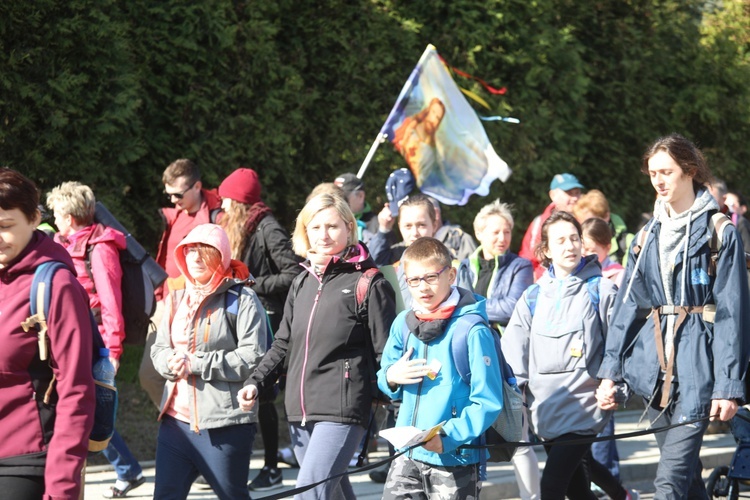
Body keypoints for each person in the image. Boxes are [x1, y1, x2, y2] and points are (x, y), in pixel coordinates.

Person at [597, 133, 750, 499]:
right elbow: (628, 307)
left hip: (700, 368)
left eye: (667, 172)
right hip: (655, 374)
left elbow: (732, 314)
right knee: (688, 480)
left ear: (690, 171)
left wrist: (729, 386)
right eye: (652, 173)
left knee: (668, 483)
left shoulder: (720, 233)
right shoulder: (645, 236)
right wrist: (610, 372)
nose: (659, 181)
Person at [237, 193, 397, 500]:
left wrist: (396, 397)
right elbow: (283, 343)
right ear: (304, 232)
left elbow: (386, 352)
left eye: (332, 226)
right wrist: (256, 382)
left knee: (308, 494)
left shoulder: (369, 282)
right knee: (332, 493)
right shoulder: (301, 281)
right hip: (299, 411)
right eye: (315, 227)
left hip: (343, 408)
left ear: (349, 229)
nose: (323, 234)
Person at [502, 211, 622, 500]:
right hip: (543, 410)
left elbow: (622, 344)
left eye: (574, 239)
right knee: (577, 490)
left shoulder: (602, 289)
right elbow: (513, 353)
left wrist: (613, 382)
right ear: (546, 250)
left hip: (584, 407)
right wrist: (510, 398)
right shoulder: (532, 296)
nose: (569, 246)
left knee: (551, 487)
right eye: (561, 241)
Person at [376, 237, 504, 499]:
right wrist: (390, 377)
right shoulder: (403, 323)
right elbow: (384, 374)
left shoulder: (472, 329)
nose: (423, 287)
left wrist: (448, 436)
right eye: (414, 280)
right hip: (407, 455)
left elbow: (488, 401)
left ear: (451, 275)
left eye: (431, 277)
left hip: (455, 456)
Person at [150, 223, 267, 500]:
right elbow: (159, 349)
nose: (196, 258)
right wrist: (169, 362)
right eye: (190, 251)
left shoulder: (243, 299)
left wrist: (197, 363)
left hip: (225, 425)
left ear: (223, 257)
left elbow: (254, 357)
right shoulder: (176, 298)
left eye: (205, 252)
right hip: (175, 424)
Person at [46, 181, 146, 498]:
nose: (55, 220)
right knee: (84, 412)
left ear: (70, 216)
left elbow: (110, 301)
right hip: (71, 342)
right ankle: (127, 470)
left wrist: (112, 351)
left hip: (98, 344)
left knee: (89, 414)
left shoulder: (99, 249)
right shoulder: (65, 243)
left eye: (58, 214)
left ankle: (126, 470)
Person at [0, 168, 95, 499]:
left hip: (23, 461)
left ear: (34, 218)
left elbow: (76, 391)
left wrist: (62, 486)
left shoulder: (55, 286)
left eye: (5, 226)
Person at [217, 167, 303, 491]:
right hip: (247, 315)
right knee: (253, 392)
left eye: (226, 200)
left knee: (264, 394)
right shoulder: (243, 225)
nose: (222, 206)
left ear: (239, 201)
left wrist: (252, 283)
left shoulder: (268, 228)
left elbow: (293, 273)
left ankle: (271, 467)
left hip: (269, 319)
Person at [454, 200, 538, 499]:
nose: (502, 238)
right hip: (470, 360)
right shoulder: (462, 266)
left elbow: (512, 306)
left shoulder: (520, 266)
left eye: (507, 232)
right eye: (495, 232)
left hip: (507, 362)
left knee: (518, 435)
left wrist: (469, 310)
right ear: (479, 233)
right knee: (472, 438)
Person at [140, 158, 222, 408]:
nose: (173, 200)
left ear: (197, 186)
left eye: (177, 195)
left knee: (193, 373)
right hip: (164, 304)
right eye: (169, 195)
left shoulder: (217, 217)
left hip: (199, 307)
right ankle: (176, 421)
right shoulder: (176, 214)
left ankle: (196, 427)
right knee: (150, 374)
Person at [519, 173, 584, 279]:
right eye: (569, 193)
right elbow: (527, 258)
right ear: (553, 195)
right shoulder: (539, 223)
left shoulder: (587, 221)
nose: (575, 198)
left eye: (577, 193)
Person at [573, 189, 634, 265]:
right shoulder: (577, 242)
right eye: (583, 224)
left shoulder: (628, 242)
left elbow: (629, 274)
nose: (587, 229)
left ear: (606, 216)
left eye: (592, 223)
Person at [333, 172, 381, 242]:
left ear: (360, 196)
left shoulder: (378, 225)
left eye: (343, 197)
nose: (337, 201)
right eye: (334, 197)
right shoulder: (330, 221)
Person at [429, 196, 478, 261]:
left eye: (421, 224)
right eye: (410, 226)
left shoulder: (460, 240)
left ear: (436, 214)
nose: (414, 232)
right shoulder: (413, 242)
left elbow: (473, 268)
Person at [581, 218, 625, 287]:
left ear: (608, 248)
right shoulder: (574, 272)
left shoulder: (618, 276)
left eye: (591, 250)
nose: (583, 252)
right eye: (581, 247)